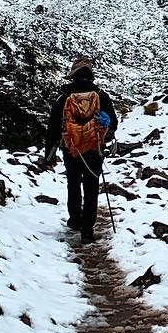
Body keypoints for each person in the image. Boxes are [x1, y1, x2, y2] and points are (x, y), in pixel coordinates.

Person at [41, 57, 121, 242]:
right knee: (91, 187)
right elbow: (113, 123)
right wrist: (106, 134)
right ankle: (87, 230)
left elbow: (53, 128)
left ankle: (75, 220)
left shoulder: (64, 98)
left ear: (73, 76)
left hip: (71, 148)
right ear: (90, 75)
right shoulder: (101, 96)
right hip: (95, 148)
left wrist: (49, 155)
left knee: (73, 183)